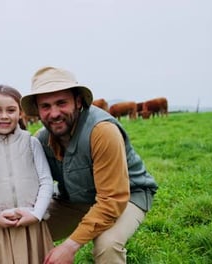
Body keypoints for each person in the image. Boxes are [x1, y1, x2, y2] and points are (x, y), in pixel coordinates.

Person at [20, 66, 159, 264]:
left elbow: (112, 199)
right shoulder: (41, 140)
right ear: (38, 110)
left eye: (61, 103)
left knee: (107, 245)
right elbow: (28, 183)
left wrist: (69, 246)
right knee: (24, 233)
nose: (54, 113)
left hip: (126, 196)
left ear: (78, 101)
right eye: (46, 106)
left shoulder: (102, 131)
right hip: (75, 199)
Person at [0, 85, 54, 264]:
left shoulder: (31, 143)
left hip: (33, 228)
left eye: (11, 110)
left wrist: (36, 214)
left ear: (21, 113)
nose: (4, 116)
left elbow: (46, 182)